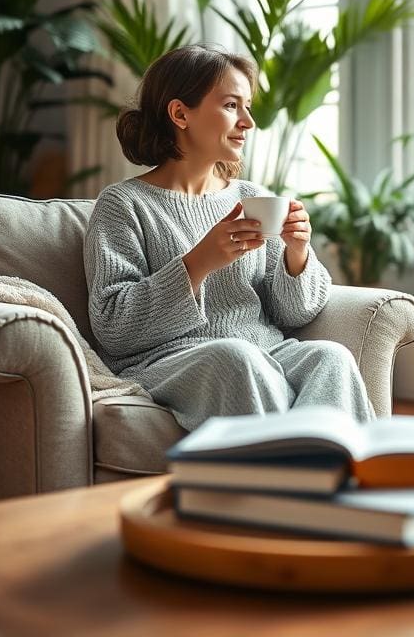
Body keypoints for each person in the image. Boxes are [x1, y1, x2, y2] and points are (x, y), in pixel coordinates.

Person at [83, 44, 375, 430]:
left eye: (247, 106)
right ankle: (275, 484)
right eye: (232, 106)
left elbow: (296, 313)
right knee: (237, 358)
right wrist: (199, 262)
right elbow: (114, 327)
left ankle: (339, 480)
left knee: (331, 357)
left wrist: (297, 253)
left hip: (266, 351)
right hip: (168, 362)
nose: (248, 122)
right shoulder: (123, 205)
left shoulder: (250, 198)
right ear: (180, 113)